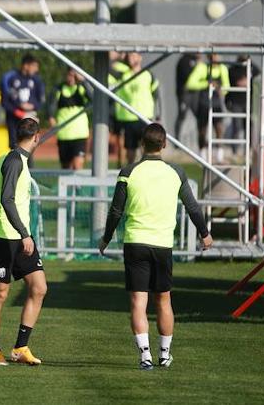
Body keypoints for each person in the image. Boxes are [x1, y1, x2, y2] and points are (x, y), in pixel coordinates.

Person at [99, 123, 213, 370]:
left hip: (135, 243)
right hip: (162, 245)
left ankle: (145, 356)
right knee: (163, 300)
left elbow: (116, 210)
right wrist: (204, 233)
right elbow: (192, 207)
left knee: (138, 302)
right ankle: (164, 354)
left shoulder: (128, 171)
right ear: (164, 144)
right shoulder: (176, 172)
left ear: (142, 143)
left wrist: (106, 238)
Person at [0, 117, 47, 367]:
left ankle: (21, 347)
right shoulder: (13, 161)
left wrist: (24, 234)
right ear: (36, 137)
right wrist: (24, 233)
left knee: (39, 287)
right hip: (3, 237)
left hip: (20, 238)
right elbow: (6, 199)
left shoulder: (18, 158)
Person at [111, 52, 159, 165]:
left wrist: (157, 115)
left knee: (147, 149)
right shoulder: (122, 74)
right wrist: (118, 57)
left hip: (145, 117)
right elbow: (111, 67)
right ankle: (130, 170)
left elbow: (156, 93)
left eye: (134, 56)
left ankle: (145, 169)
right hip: (129, 118)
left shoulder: (148, 74)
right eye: (130, 56)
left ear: (140, 57)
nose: (131, 59)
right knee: (130, 151)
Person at [0, 55, 45, 156]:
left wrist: (32, 107)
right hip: (14, 121)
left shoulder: (37, 80)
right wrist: (20, 113)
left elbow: (41, 101)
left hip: (30, 119)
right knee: (15, 149)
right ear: (26, 65)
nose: (36, 69)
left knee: (29, 148)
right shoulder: (10, 78)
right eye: (34, 66)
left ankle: (28, 166)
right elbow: (5, 102)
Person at [182, 53, 229, 150]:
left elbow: (226, 87)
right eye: (212, 56)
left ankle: (219, 153)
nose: (215, 59)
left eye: (216, 56)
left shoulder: (222, 69)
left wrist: (220, 89)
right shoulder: (202, 67)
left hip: (216, 103)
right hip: (203, 102)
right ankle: (202, 152)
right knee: (202, 129)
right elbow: (190, 84)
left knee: (219, 128)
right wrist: (207, 84)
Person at [51, 68, 91, 171]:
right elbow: (51, 106)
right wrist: (51, 117)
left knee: (78, 166)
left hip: (79, 134)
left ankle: (78, 183)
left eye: (74, 75)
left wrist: (83, 81)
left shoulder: (81, 88)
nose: (71, 78)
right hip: (64, 135)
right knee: (65, 168)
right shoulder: (59, 89)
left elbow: (93, 98)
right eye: (69, 75)